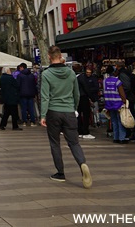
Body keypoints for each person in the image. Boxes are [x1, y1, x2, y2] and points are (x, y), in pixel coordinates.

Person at [40, 45, 92, 189]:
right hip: (69, 111)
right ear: (60, 56)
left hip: (53, 112)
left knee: (55, 143)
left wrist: (43, 115)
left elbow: (44, 97)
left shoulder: (46, 74)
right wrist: (73, 108)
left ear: (49, 57)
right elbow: (76, 94)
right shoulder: (70, 73)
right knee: (74, 143)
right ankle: (82, 164)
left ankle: (60, 173)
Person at [104, 66, 128, 143]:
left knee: (114, 121)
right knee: (121, 121)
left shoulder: (105, 81)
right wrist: (124, 101)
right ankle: (122, 138)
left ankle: (116, 137)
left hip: (109, 103)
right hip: (118, 103)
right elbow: (122, 93)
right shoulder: (117, 81)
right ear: (114, 72)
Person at [77, 65, 99, 140]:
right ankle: (85, 132)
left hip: (78, 97)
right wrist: (92, 98)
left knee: (79, 115)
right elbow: (86, 88)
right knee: (86, 114)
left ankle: (79, 131)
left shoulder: (78, 77)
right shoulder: (82, 78)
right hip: (84, 97)